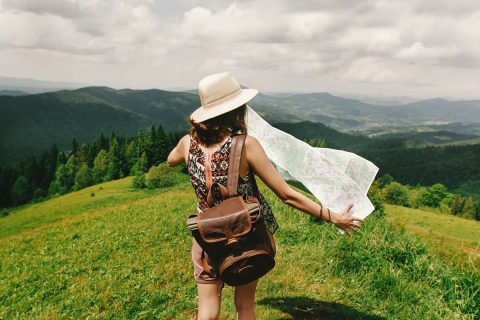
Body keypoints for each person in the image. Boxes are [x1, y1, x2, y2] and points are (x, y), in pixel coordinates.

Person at [167, 72, 364, 320]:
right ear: (235, 110)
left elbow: (170, 161)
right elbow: (287, 195)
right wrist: (332, 217)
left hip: (206, 236)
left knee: (207, 312)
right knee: (245, 305)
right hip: (245, 234)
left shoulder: (187, 143)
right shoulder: (246, 145)